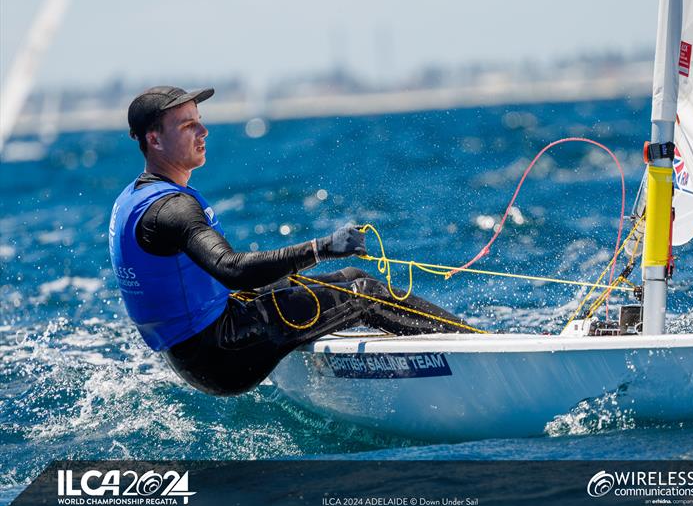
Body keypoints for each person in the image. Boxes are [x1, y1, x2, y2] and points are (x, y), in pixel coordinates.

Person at [109, 86, 473, 396]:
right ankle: (473, 349)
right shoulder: (172, 209)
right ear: (153, 139)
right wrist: (321, 247)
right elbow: (231, 269)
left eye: (199, 119)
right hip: (220, 354)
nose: (203, 130)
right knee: (364, 292)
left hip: (196, 349)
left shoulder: (138, 196)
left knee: (345, 277)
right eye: (188, 125)